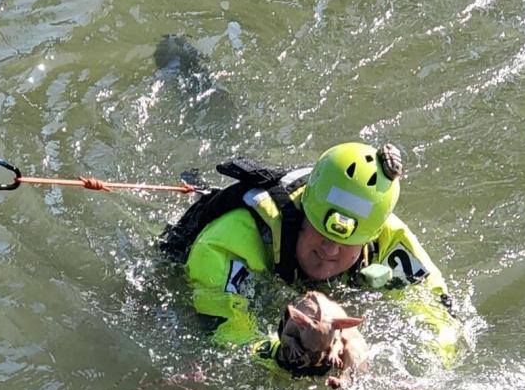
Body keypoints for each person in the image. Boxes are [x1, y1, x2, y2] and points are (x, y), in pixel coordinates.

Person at [161, 141, 461, 367]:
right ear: (303, 213)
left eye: (346, 243)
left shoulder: (386, 235)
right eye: (321, 231)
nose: (329, 250)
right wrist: (285, 357)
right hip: (185, 252)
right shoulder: (230, 241)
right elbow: (227, 334)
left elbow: (438, 313)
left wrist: (422, 380)